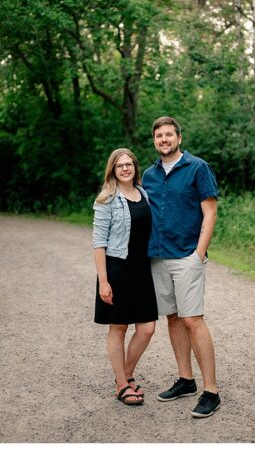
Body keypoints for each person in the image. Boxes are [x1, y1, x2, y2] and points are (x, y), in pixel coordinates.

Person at [141, 116, 221, 418]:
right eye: (159, 135)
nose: (164, 139)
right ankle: (186, 381)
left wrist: (198, 254)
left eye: (169, 135)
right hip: (158, 257)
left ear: (179, 138)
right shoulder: (148, 175)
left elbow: (210, 212)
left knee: (193, 320)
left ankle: (211, 391)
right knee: (173, 318)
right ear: (154, 140)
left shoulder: (198, 168)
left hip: (187, 255)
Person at [93, 148, 158, 407]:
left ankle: (126, 374)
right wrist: (104, 281)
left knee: (147, 327)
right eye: (120, 165)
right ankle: (122, 384)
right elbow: (98, 243)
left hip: (142, 269)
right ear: (113, 170)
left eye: (129, 164)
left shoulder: (144, 194)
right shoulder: (106, 199)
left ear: (135, 167)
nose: (125, 168)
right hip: (117, 269)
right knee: (118, 327)